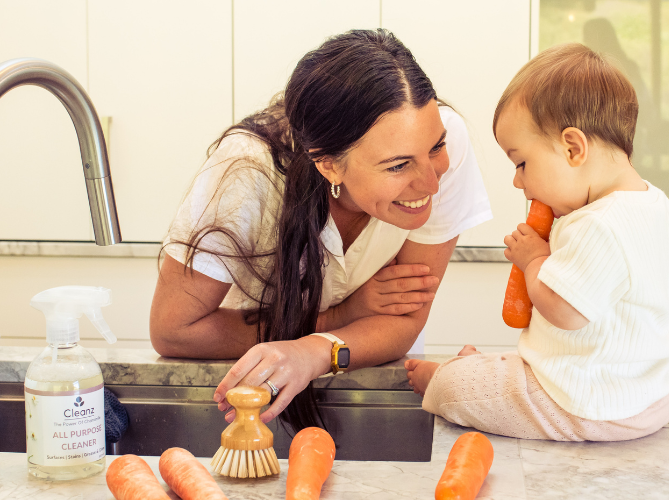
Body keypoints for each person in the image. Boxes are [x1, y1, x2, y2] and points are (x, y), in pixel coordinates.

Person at [150, 29, 493, 432]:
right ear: (328, 164)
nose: (433, 183)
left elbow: (401, 324)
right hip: (254, 390)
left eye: (435, 147)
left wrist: (314, 352)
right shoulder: (247, 173)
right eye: (398, 166)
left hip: (377, 376)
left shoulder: (444, 139)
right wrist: (341, 316)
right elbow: (175, 331)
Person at [405, 43, 669, 441]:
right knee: (517, 368)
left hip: (582, 404)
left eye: (521, 163)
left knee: (454, 388)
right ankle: (481, 371)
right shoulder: (658, 205)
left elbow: (564, 311)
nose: (517, 181)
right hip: (648, 398)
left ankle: (449, 376)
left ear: (573, 148)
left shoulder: (597, 225)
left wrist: (535, 259)